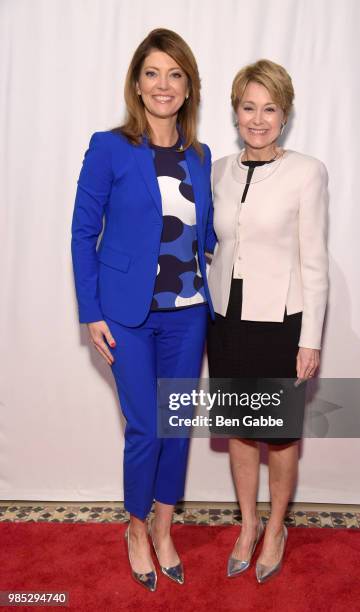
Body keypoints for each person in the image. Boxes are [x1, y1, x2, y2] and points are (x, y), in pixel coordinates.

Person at [71, 28, 215, 592]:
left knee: (176, 423)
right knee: (145, 427)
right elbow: (84, 233)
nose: (164, 84)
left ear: (187, 88)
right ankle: (134, 529)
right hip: (126, 315)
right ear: (137, 83)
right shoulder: (109, 147)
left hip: (189, 312)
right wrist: (91, 311)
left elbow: (210, 234)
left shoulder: (200, 156)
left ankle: (163, 526)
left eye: (175, 74)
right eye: (153, 73)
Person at [206, 59, 329, 583]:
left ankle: (277, 527)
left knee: (278, 437)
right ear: (235, 112)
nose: (258, 119)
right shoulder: (218, 170)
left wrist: (311, 338)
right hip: (226, 318)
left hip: (281, 320)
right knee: (238, 431)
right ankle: (248, 525)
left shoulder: (307, 171)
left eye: (269, 108)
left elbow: (315, 260)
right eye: (248, 107)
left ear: (285, 114)